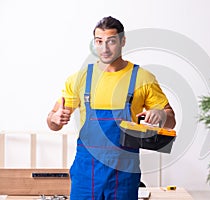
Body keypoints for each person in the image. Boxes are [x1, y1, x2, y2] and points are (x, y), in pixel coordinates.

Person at [47, 16, 176, 200]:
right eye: (99, 42)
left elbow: (171, 120)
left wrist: (161, 115)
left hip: (123, 174)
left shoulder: (142, 78)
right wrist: (54, 119)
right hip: (86, 173)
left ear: (123, 41)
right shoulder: (80, 78)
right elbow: (52, 122)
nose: (105, 48)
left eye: (111, 41)